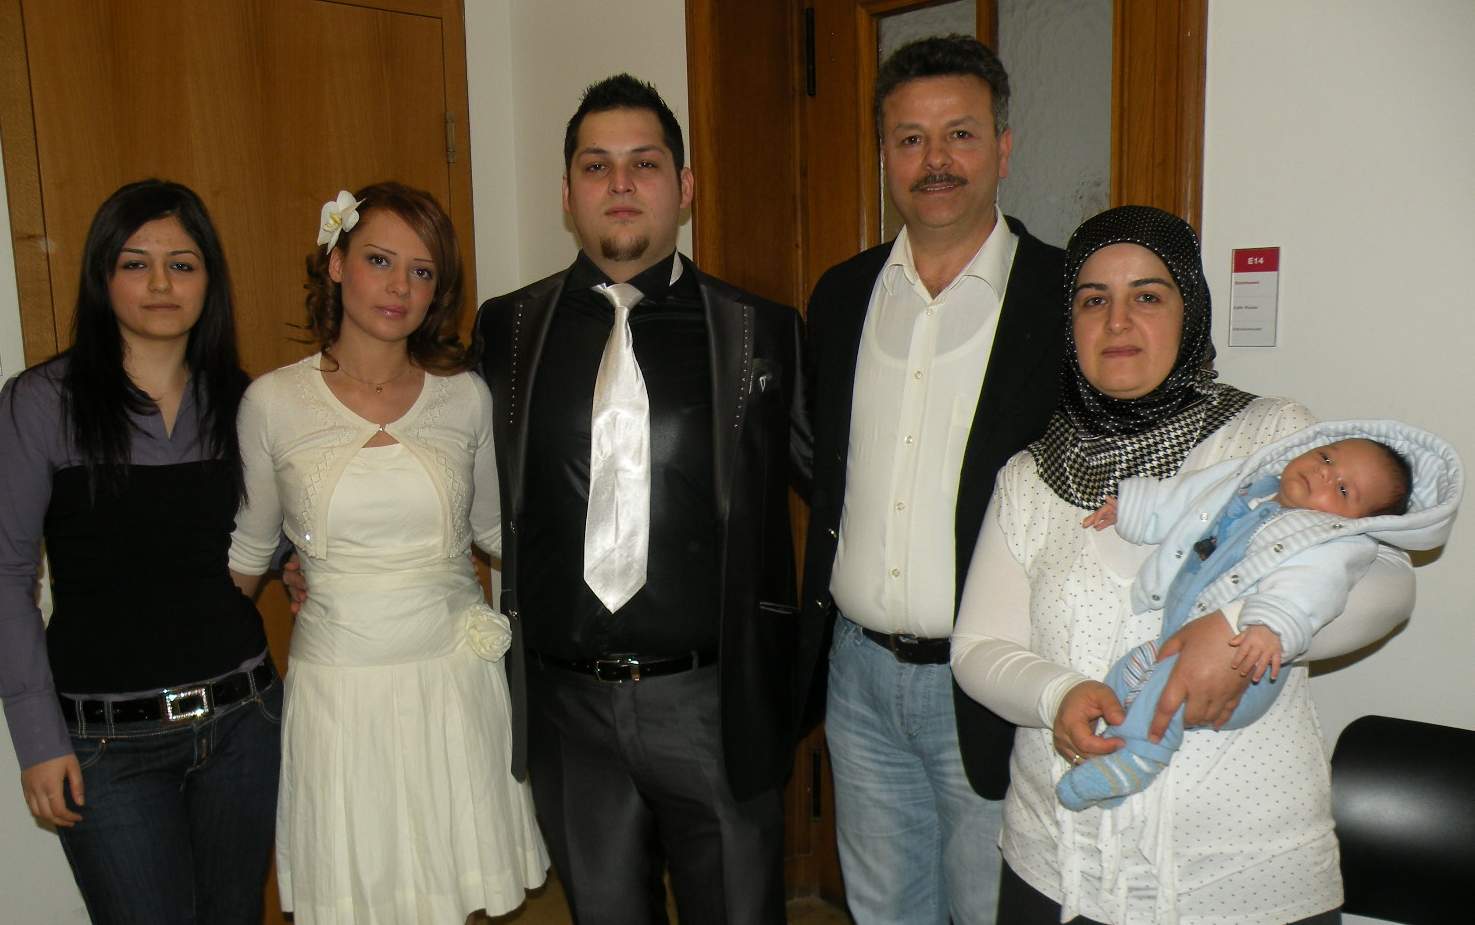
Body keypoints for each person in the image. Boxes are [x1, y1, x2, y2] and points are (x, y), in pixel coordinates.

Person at [951, 205, 1416, 924]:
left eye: (1147, 295)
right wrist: (1056, 696)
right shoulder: (1028, 477)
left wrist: (1234, 632)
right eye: (1092, 299)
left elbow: (1387, 580)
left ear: (1189, 310)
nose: (1117, 321)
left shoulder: (1271, 439)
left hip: (1244, 877)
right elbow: (979, 647)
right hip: (1059, 867)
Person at [471, 74, 810, 924]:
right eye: (596, 166)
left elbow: (841, 485)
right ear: (566, 193)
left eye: (644, 163)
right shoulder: (508, 330)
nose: (619, 184)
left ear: (684, 186)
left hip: (713, 703)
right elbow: (445, 461)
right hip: (567, 711)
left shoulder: (759, 330)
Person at [798, 34, 1063, 923]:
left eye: (959, 134)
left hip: (991, 683)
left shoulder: (1063, 297)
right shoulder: (842, 296)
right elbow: (818, 462)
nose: (934, 160)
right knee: (883, 910)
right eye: (909, 139)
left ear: (1003, 147)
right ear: (883, 154)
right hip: (857, 677)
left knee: (991, 908)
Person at [228, 182, 546, 922]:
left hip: (452, 683)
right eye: (379, 260)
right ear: (337, 263)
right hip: (341, 692)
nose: (400, 286)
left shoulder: (464, 397)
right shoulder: (271, 403)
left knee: (452, 887)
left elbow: (497, 534)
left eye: (421, 270)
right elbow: (250, 546)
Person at [0, 179, 279, 923]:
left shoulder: (245, 402)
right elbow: (7, 574)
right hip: (105, 747)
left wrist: (302, 560)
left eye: (182, 264)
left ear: (209, 280)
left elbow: (269, 532)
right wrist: (36, 739)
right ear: (103, 276)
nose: (161, 283)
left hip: (243, 725)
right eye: (135, 263)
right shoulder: (40, 403)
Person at [1059, 423, 1461, 811]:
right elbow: (1189, 498)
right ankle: (1111, 743)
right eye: (1327, 457)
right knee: (1130, 669)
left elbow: (1312, 587)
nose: (1325, 473)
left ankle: (1141, 758)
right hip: (1178, 641)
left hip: (1244, 664)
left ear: (1357, 521)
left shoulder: (1328, 541)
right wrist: (1135, 510)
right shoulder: (1249, 486)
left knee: (1166, 684)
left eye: (1343, 489)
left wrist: (1270, 625)